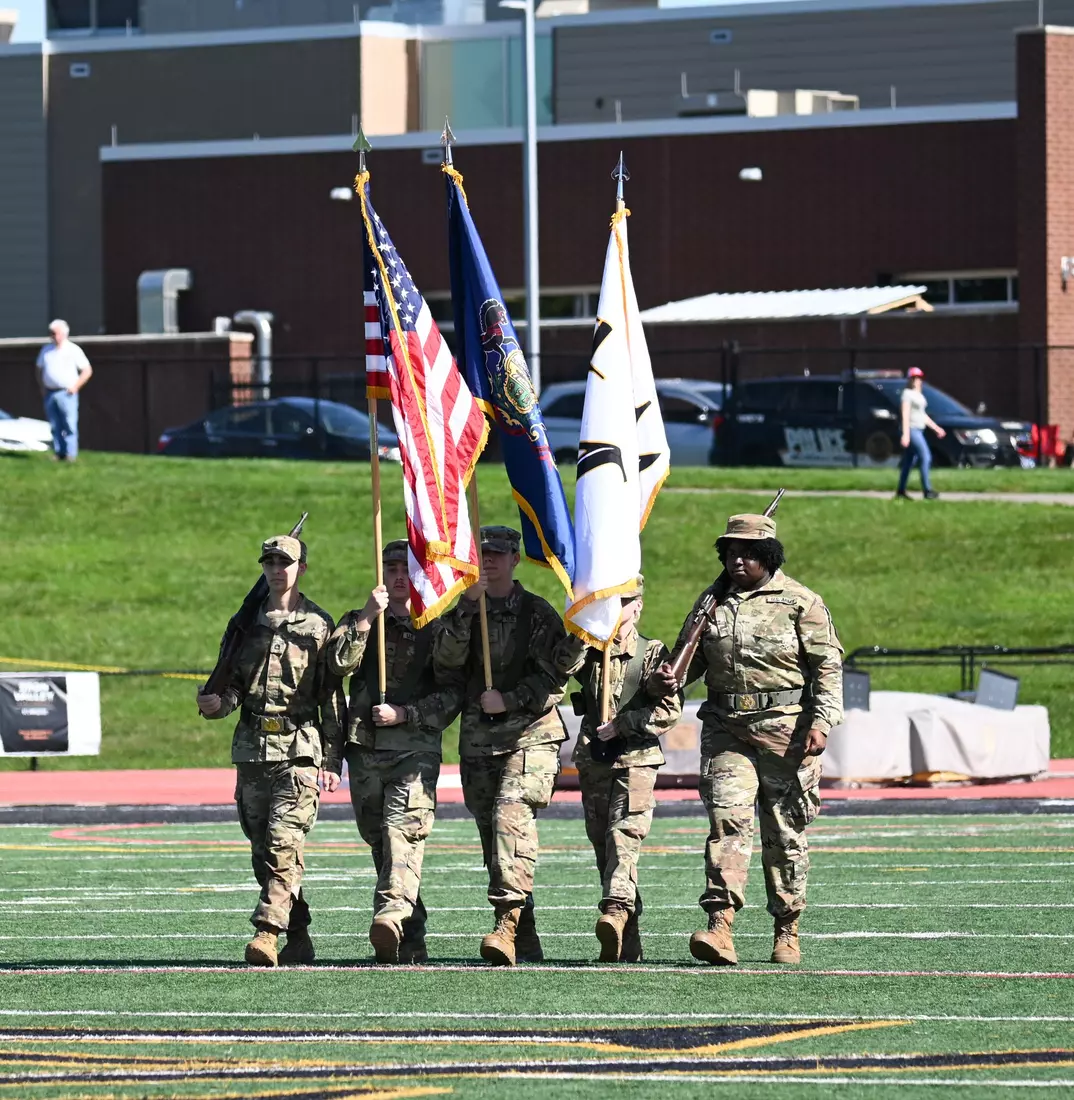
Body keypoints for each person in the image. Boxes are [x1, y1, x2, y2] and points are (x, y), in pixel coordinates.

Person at [651, 513, 843, 967]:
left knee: (784, 833)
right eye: (730, 553)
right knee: (727, 824)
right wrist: (667, 679)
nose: (737, 560)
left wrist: (822, 722)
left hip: (786, 732)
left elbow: (828, 668)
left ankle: (787, 928)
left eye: (748, 553)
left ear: (768, 557)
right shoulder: (712, 602)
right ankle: (721, 925)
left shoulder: (801, 603)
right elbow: (689, 661)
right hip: (726, 730)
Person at [196, 534, 344, 968]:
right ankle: (297, 933)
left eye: (286, 561)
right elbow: (234, 685)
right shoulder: (245, 624)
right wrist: (217, 704)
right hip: (252, 751)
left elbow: (330, 695)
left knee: (283, 843)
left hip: (299, 750)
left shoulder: (317, 625)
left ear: (302, 567)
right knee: (263, 852)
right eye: (270, 562)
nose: (277, 569)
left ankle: (267, 932)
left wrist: (333, 759)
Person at [433, 525, 570, 967]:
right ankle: (523, 930)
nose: (488, 562)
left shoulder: (536, 613)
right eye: (482, 555)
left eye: (498, 554)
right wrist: (467, 607)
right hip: (478, 741)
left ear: (515, 559)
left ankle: (506, 925)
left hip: (530, 736)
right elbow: (445, 660)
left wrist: (509, 700)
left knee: (511, 821)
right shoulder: (465, 610)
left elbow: (555, 679)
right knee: (493, 838)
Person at [327, 539, 463, 965]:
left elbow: (453, 693)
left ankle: (389, 915)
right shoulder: (361, 621)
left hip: (414, 750)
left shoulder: (436, 627)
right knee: (380, 843)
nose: (399, 576)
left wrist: (407, 713)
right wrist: (368, 617)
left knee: (401, 833)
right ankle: (411, 932)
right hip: (365, 751)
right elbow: (337, 665)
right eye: (390, 569)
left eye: (406, 569)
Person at [553, 576, 682, 962]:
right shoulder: (592, 648)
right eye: (609, 601)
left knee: (624, 838)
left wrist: (624, 725)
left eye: (622, 601)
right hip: (595, 760)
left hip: (636, 760)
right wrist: (583, 629)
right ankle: (628, 941)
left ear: (638, 606)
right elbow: (560, 667)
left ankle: (614, 909)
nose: (615, 608)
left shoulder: (653, 653)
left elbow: (668, 711)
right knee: (603, 848)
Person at [35, 319, 93, 463]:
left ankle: (70, 454)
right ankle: (59, 452)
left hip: (67, 393)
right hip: (50, 392)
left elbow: (87, 370)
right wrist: (42, 387)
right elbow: (38, 369)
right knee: (55, 425)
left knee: (69, 424)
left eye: (55, 333)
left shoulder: (73, 350)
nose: (53, 336)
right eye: (51, 333)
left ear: (64, 333)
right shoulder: (46, 350)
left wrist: (75, 386)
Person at [896, 366, 946, 500]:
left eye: (918, 377)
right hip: (912, 430)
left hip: (919, 429)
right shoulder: (907, 394)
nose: (916, 380)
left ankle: (900, 491)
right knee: (926, 457)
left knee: (909, 462)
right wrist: (905, 434)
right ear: (909, 379)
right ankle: (927, 490)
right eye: (913, 377)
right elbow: (905, 414)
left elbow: (923, 415)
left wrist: (936, 428)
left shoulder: (919, 395)